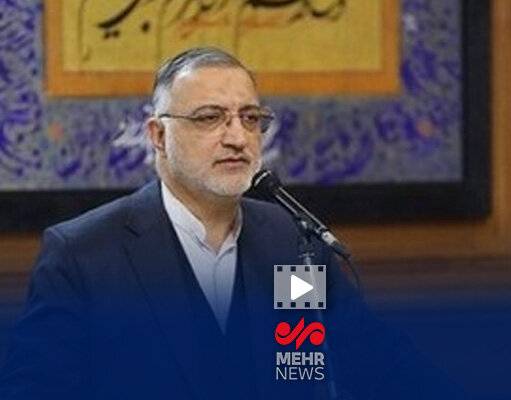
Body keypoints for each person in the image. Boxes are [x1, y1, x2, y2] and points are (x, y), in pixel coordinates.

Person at [0, 47, 465, 399]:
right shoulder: (85, 254)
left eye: (251, 118)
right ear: (158, 136)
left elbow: (354, 363)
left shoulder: (292, 243)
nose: (238, 137)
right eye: (210, 118)